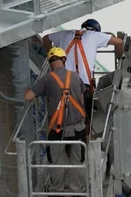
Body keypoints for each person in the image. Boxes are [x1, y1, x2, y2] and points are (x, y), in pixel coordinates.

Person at [25, 47, 87, 176]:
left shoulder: (47, 79)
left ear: (49, 62)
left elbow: (28, 96)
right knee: (78, 160)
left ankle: (57, 190)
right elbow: (81, 100)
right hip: (77, 126)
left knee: (57, 160)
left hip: (57, 128)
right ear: (64, 59)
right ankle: (77, 190)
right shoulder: (75, 76)